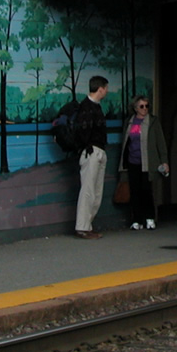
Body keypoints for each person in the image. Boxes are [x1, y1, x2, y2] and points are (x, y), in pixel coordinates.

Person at [121, 95, 169, 230]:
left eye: (147, 106)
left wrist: (164, 161)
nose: (144, 109)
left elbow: (160, 142)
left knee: (147, 190)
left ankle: (150, 218)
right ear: (136, 108)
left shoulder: (153, 122)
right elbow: (126, 142)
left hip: (148, 162)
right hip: (132, 161)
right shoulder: (129, 122)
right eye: (141, 106)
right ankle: (136, 220)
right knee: (135, 191)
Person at [72, 75, 109, 239]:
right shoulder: (86, 107)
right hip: (91, 151)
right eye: (105, 88)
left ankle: (87, 224)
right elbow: (81, 132)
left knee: (96, 192)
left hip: (97, 149)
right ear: (100, 89)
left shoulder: (95, 106)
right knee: (88, 191)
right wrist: (86, 147)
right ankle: (82, 226)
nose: (107, 91)